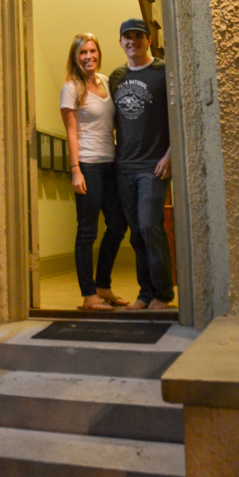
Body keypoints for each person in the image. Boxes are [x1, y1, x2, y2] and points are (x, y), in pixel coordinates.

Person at [60, 33, 129, 311]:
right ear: (75, 58)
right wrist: (76, 170)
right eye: (82, 53)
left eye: (92, 51)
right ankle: (89, 295)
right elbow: (71, 131)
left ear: (99, 53)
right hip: (87, 164)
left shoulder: (104, 82)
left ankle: (103, 286)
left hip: (110, 163)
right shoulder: (71, 87)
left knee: (117, 224)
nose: (89, 57)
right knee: (87, 231)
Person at [109, 18, 174, 311]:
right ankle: (145, 294)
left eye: (138, 36)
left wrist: (170, 155)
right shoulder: (116, 76)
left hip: (154, 165)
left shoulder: (163, 72)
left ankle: (163, 293)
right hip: (124, 166)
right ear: (121, 43)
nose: (132, 41)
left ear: (148, 40)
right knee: (136, 232)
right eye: (127, 37)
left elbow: (178, 115)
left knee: (150, 225)